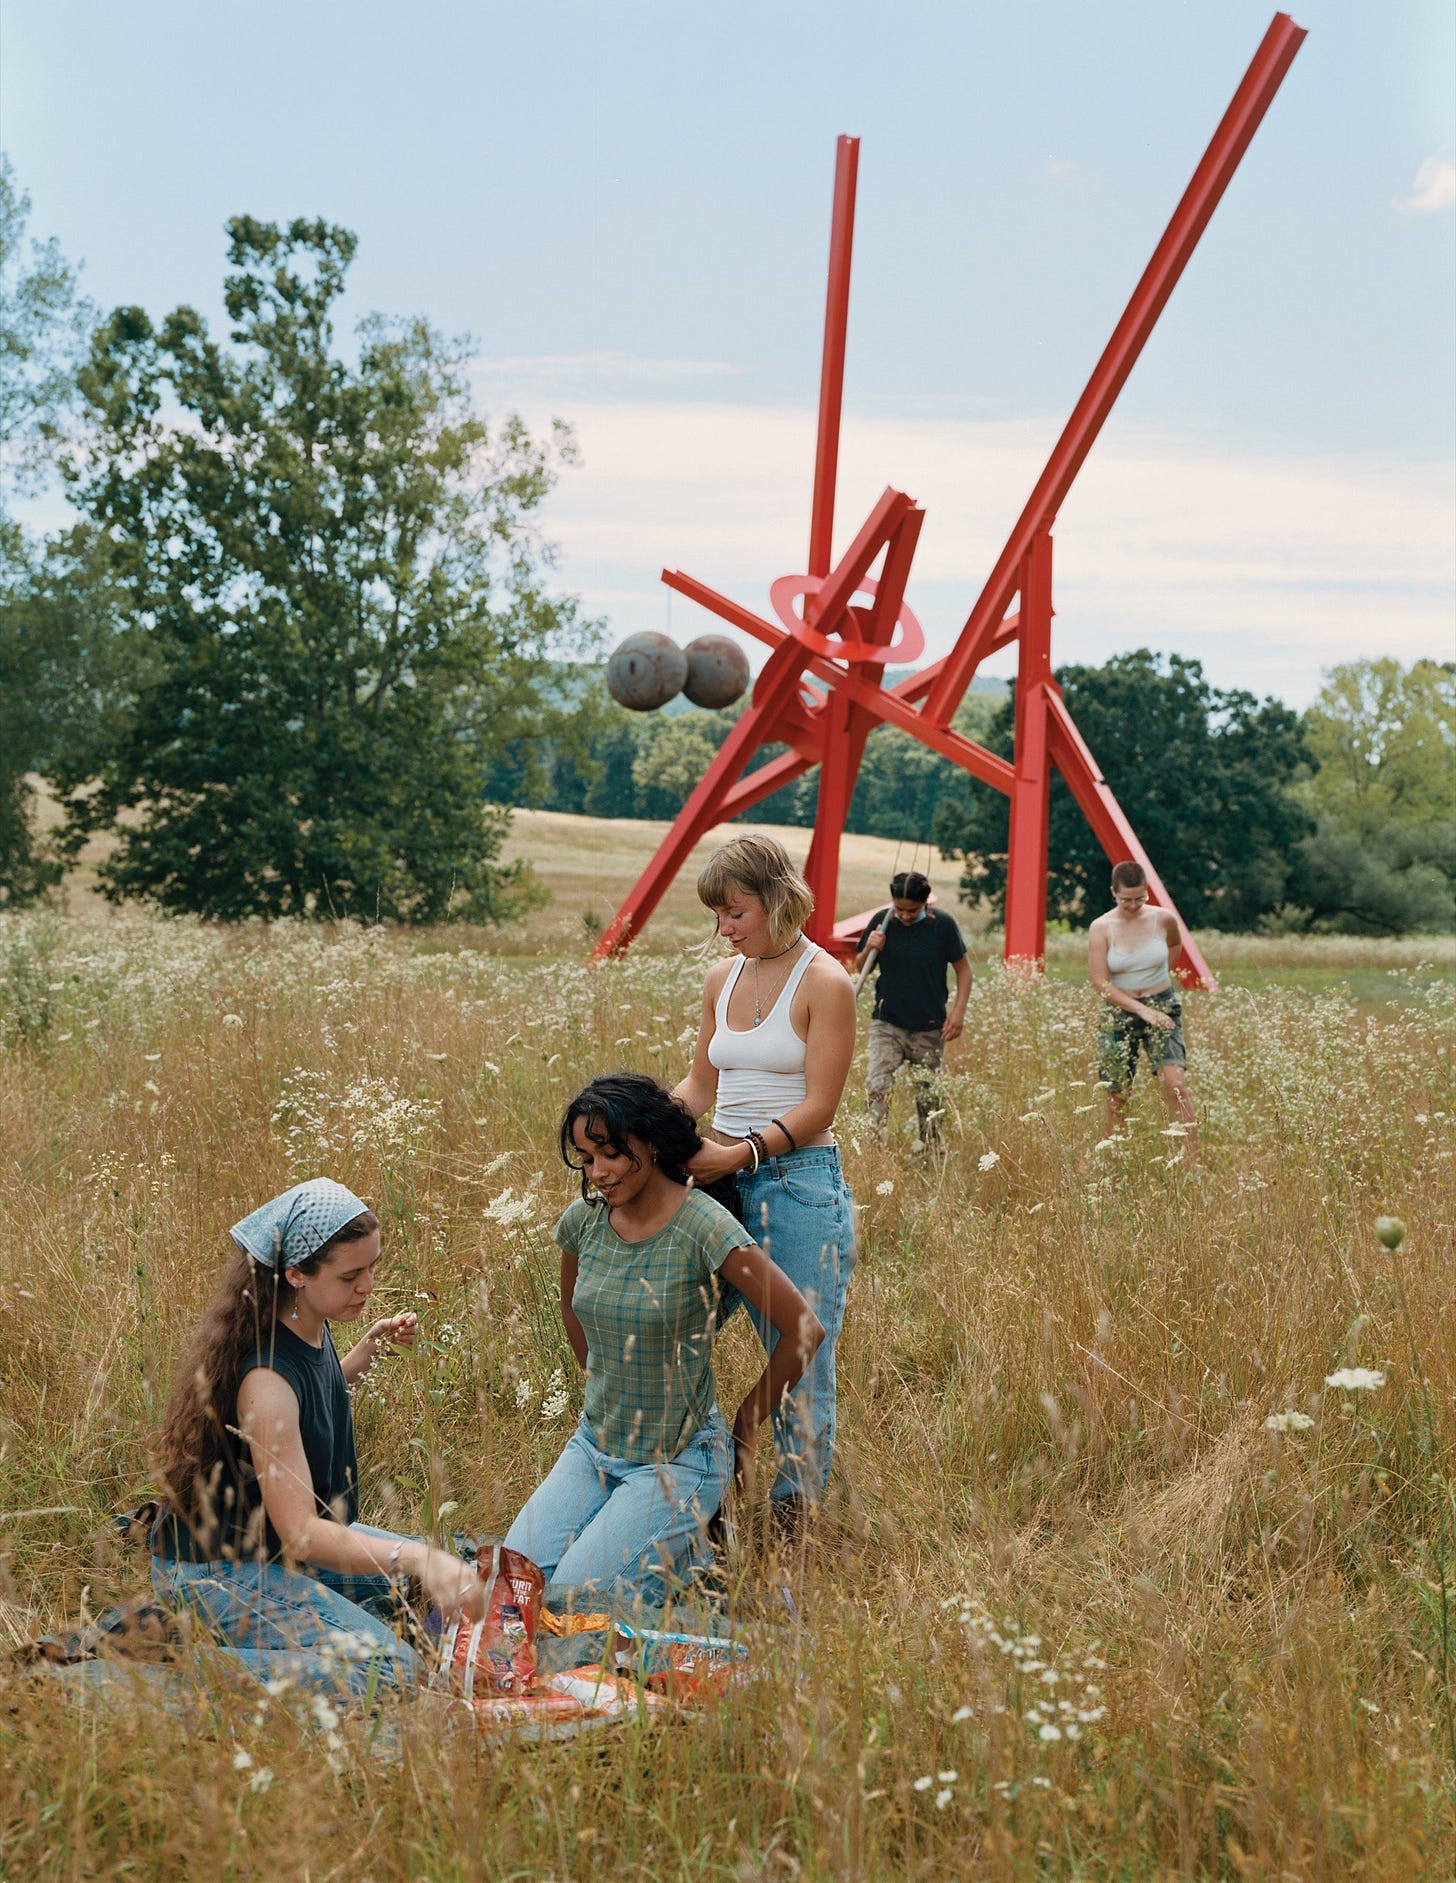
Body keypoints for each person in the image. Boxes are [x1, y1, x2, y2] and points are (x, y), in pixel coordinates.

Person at [151, 1178, 485, 1696]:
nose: (368, 1285)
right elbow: (302, 1533)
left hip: (280, 1556)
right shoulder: (263, 1379)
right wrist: (419, 1557)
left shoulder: (306, 1320)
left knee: (455, 1577)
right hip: (219, 1574)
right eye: (351, 1274)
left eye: (372, 1266)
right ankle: (181, 1662)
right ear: (296, 1274)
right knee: (391, 1670)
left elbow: (306, 1400)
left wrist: (359, 1359)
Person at [504, 1074, 822, 1606]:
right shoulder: (583, 1223)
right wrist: (601, 1377)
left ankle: (700, 1572)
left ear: (650, 1142)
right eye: (585, 1159)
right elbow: (570, 1303)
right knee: (509, 1590)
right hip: (594, 1446)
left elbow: (804, 1329)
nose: (597, 1173)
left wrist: (745, 1424)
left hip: (679, 1461)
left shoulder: (705, 1226)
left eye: (609, 1153)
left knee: (567, 1604)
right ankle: (684, 1559)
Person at [671, 833, 857, 1533]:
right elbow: (700, 1083)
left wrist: (740, 1154)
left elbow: (819, 1107)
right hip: (717, 1179)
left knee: (803, 1354)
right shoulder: (722, 979)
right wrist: (642, 1129)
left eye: (735, 912)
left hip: (798, 1183)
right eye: (718, 914)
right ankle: (695, 1490)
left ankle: (792, 1520)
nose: (724, 928)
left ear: (778, 900)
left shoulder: (825, 981)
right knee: (677, 1329)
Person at [1087, 860, 1198, 1160]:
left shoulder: (1163, 919)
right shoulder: (1101, 927)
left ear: (1147, 892)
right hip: (1119, 1010)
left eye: (1140, 898)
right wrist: (1141, 1010)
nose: (1134, 905)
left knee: (1175, 1085)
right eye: (1126, 899)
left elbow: (1173, 947)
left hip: (1162, 1005)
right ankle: (1114, 1163)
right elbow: (1101, 983)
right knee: (1117, 1094)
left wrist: (1153, 987)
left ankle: (1190, 1162)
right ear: (1113, 892)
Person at [853, 870, 972, 1149]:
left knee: (928, 1094)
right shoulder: (881, 922)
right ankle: (872, 1149)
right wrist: (870, 947)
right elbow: (862, 969)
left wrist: (958, 1013)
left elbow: (964, 971)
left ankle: (931, 1149)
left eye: (912, 910)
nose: (904, 915)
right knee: (878, 1085)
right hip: (887, 1022)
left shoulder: (942, 925)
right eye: (899, 909)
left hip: (929, 1025)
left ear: (926, 902)